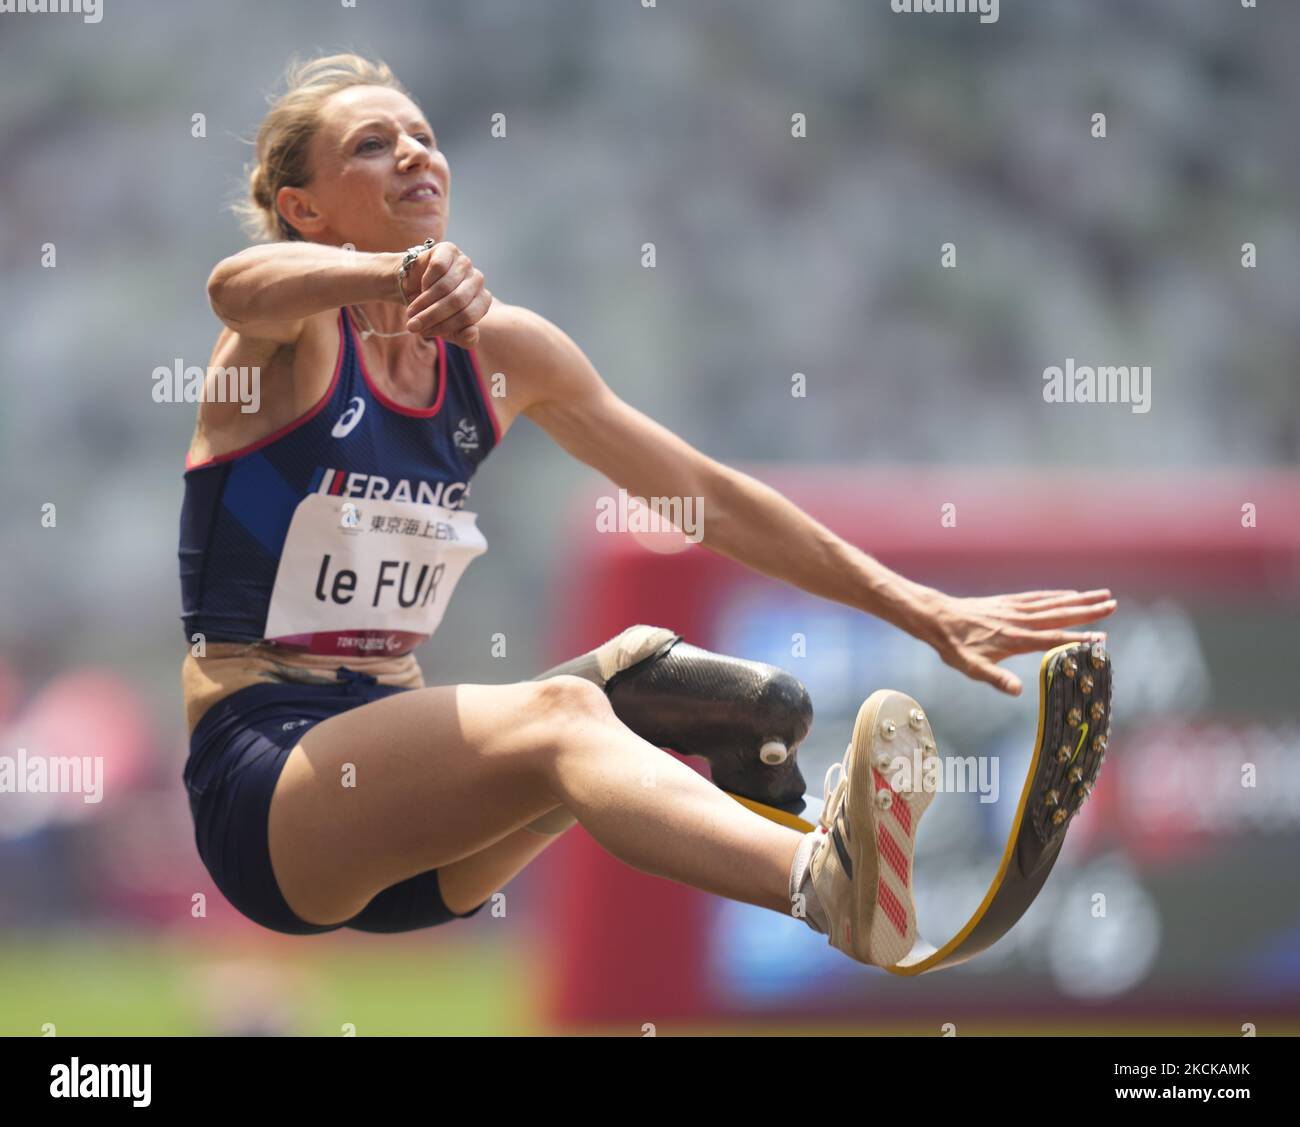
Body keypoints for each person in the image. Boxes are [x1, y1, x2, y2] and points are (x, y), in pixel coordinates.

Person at [179, 52, 1116, 966]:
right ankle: (822, 881)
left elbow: (703, 495)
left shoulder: (501, 353)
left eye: (423, 136)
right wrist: (393, 277)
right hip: (273, 785)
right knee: (561, 711)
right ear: (302, 210)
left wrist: (919, 607)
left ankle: (812, 852)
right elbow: (234, 285)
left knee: (726, 699)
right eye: (374, 145)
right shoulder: (281, 342)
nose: (416, 154)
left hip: (423, 826)